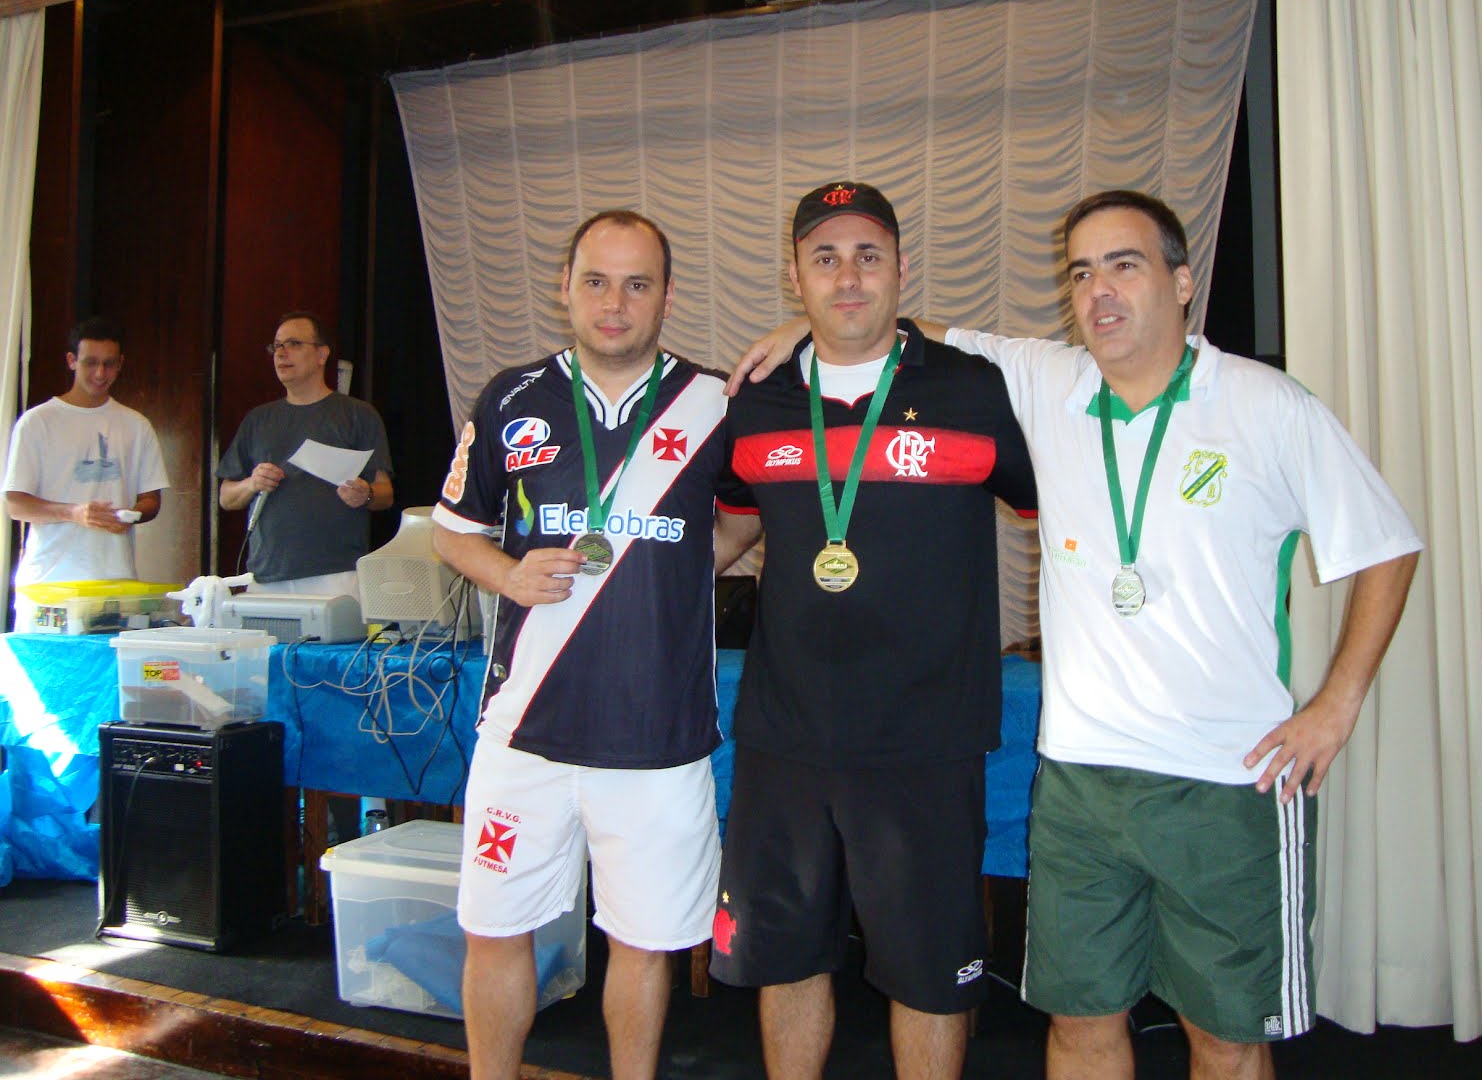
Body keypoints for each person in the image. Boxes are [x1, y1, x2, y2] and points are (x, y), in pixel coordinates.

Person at [732, 188, 1423, 1080]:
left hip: (1228, 776)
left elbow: (1386, 545)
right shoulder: (1048, 383)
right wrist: (808, 326)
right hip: (1079, 778)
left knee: (1224, 1037)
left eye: (1124, 266)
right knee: (1080, 1024)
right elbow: (888, 328)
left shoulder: (1264, 404)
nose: (1100, 291)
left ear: (1182, 281)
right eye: (1083, 272)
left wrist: (1337, 702)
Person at [710, 182, 1036, 1080]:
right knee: (787, 961)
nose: (847, 277)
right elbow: (731, 528)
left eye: (867, 256)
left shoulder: (971, 388)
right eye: (825, 258)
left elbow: (1055, 509)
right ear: (795, 275)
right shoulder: (758, 400)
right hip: (785, 735)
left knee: (930, 978)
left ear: (901, 268)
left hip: (924, 741)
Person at [432, 210, 758, 1080]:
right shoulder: (512, 398)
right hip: (524, 732)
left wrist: (677, 566)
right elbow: (454, 532)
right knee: (494, 929)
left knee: (642, 946)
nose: (615, 304)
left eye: (637, 284)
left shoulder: (714, 402)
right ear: (565, 288)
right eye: (597, 282)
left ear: (668, 295)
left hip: (658, 739)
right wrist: (508, 575)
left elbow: (740, 521)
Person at [4, 316, 170, 623]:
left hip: (116, 582)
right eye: (91, 363)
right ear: (71, 361)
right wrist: (74, 513)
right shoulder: (37, 422)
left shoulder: (136, 426)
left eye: (109, 364)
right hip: (50, 584)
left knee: (116, 655)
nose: (100, 373)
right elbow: (15, 504)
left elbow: (151, 500)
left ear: (120, 364)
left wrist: (131, 515)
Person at [217, 311, 393, 598]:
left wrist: (367, 493)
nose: (281, 353)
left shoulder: (357, 414)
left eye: (294, 344)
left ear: (322, 354)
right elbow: (226, 497)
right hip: (267, 575)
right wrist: (252, 483)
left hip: (335, 574)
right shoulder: (258, 420)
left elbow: (385, 493)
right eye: (277, 346)